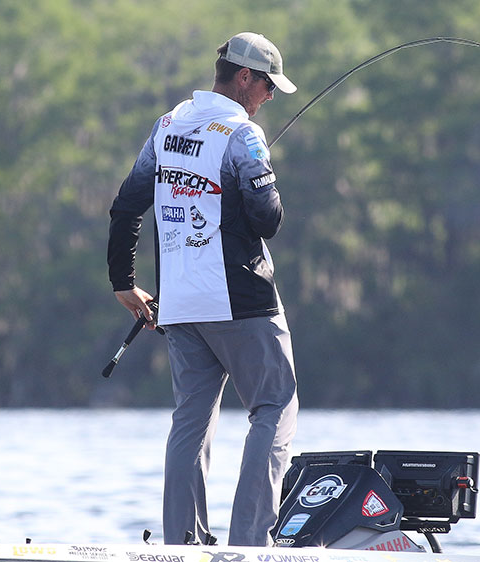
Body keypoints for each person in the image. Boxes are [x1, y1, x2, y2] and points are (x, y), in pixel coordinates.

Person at [106, 32, 299, 547]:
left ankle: (183, 545)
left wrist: (123, 283)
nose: (270, 97)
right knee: (274, 407)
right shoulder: (244, 135)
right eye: (268, 86)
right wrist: (263, 177)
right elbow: (268, 220)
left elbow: (126, 206)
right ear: (244, 77)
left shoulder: (168, 124)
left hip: (179, 304)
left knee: (190, 421)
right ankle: (251, 545)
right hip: (241, 301)